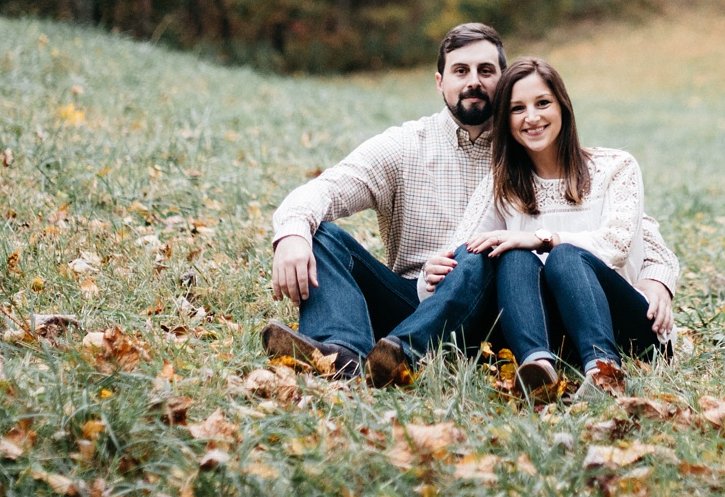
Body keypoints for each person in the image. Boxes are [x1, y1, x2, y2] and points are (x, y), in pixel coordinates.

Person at [262, 23, 678, 386]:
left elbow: (631, 225)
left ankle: (404, 351)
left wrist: (657, 278)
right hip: (419, 296)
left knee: (479, 256)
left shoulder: (528, 142)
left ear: (506, 81)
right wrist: (293, 233)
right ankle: (342, 351)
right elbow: (328, 188)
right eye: (460, 71)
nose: (473, 81)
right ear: (440, 82)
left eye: (486, 71)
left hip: (503, 307)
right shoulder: (406, 146)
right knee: (322, 235)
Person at [439, 56, 674, 398]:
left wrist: (541, 239)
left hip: (630, 326)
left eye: (543, 103)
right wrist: (437, 268)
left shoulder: (615, 167)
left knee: (565, 256)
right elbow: (464, 252)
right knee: (515, 257)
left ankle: (605, 371)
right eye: (518, 108)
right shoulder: (501, 184)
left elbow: (621, 241)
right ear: (505, 120)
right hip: (558, 335)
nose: (532, 117)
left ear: (563, 107)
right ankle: (537, 365)